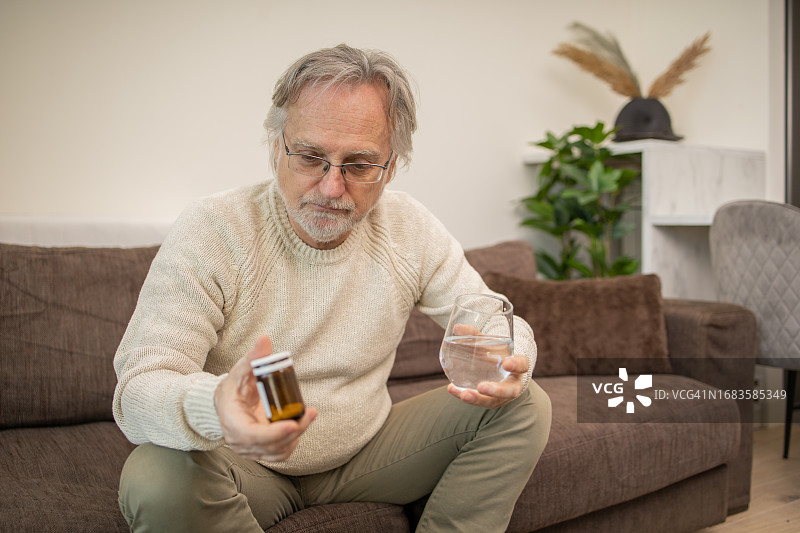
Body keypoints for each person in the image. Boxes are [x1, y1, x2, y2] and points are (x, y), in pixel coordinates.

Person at [114, 43, 551, 532]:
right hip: (244, 463)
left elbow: (489, 317)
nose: (331, 188)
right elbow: (139, 388)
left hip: (367, 455)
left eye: (360, 165)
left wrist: (512, 360)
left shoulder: (408, 228)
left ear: (392, 166)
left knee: (525, 403)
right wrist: (217, 406)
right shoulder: (214, 229)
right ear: (276, 145)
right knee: (155, 473)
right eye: (310, 156)